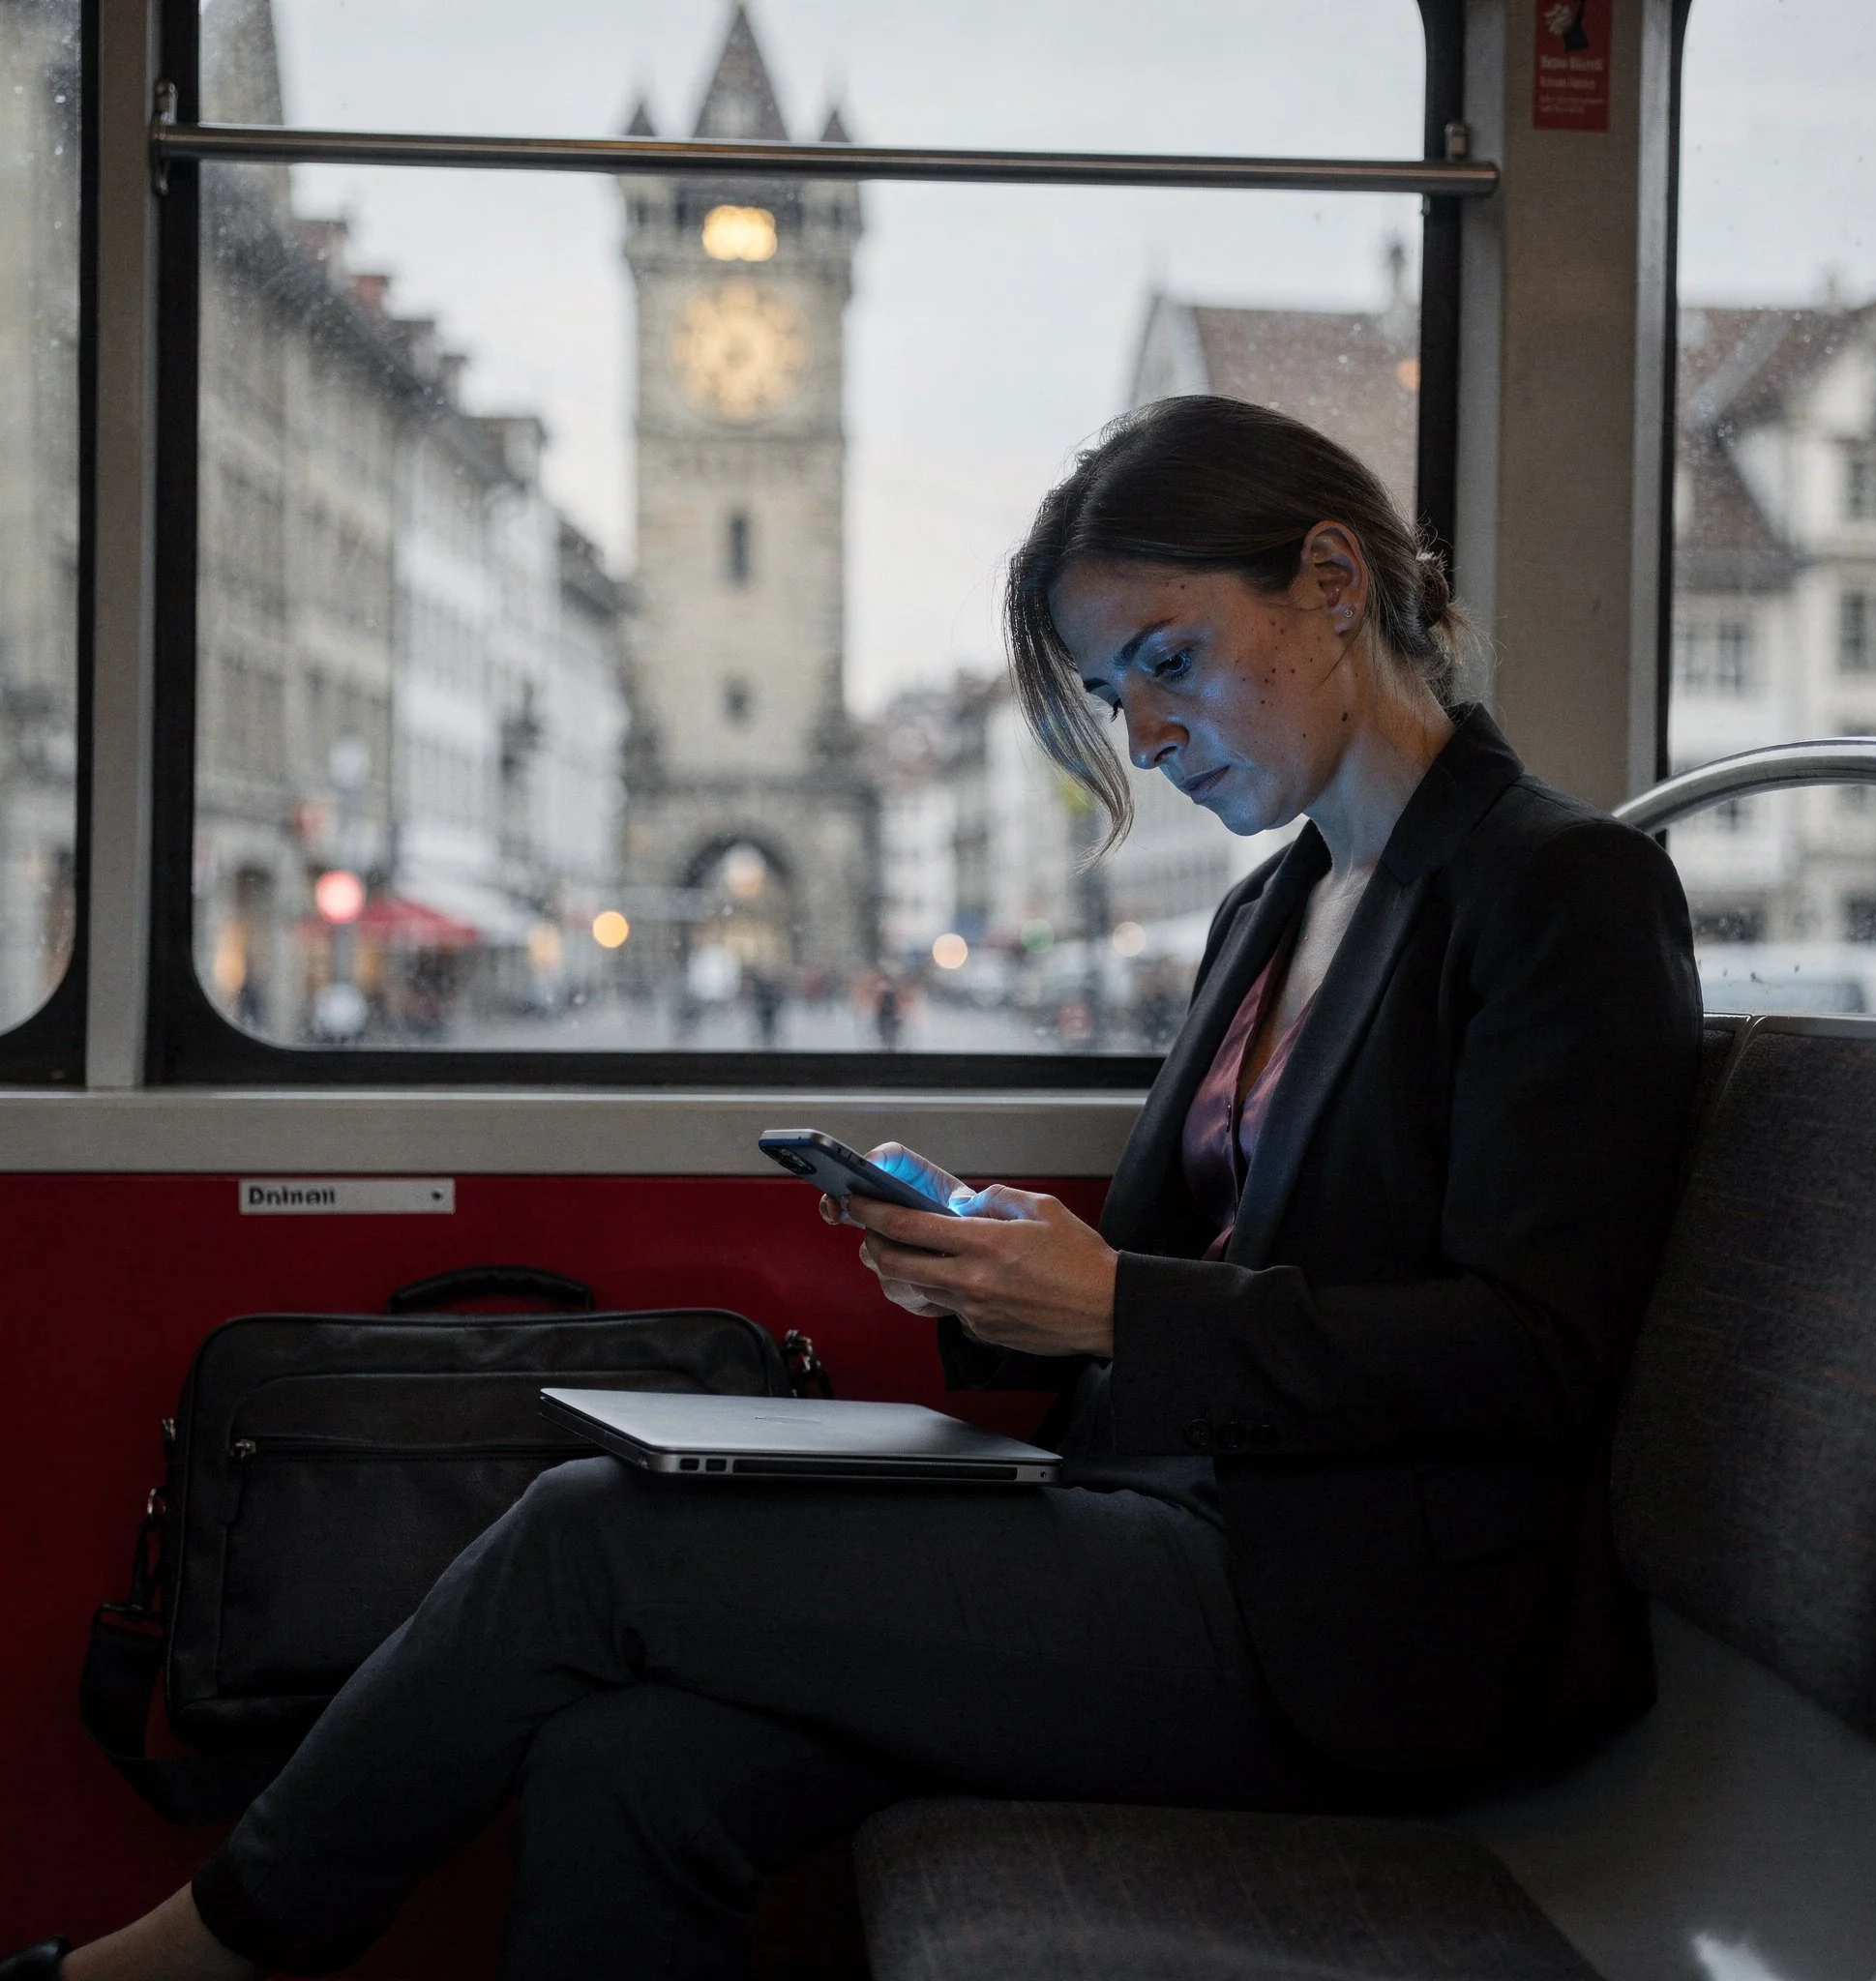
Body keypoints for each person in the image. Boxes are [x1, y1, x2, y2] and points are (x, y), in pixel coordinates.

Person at [14, 397, 1699, 1981]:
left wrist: (1118, 1304)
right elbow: (1185, 1273)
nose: (1155, 732)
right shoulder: (1272, 913)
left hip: (1364, 1622)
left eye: (1171, 662)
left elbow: (1537, 1353)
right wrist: (999, 1273)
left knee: (593, 1538)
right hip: (1171, 1526)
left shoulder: (1560, 889)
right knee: (627, 1759)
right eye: (1121, 696)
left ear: (1335, 579)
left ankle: (197, 1955)